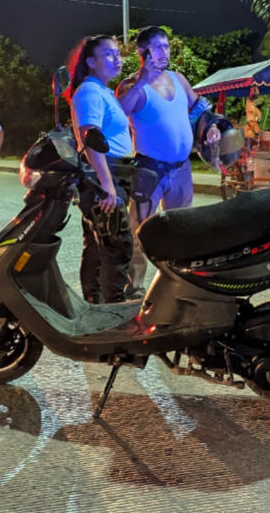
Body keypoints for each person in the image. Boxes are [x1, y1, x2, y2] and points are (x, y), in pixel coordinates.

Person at [115, 26, 218, 300]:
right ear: (142, 52)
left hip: (181, 169)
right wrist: (141, 81)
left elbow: (198, 110)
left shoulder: (179, 79)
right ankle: (134, 288)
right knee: (141, 230)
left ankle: (180, 282)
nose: (164, 52)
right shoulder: (130, 85)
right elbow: (118, 113)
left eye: (167, 46)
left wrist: (210, 128)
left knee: (182, 228)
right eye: (158, 47)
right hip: (150, 170)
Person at [68, 35, 134, 304]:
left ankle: (95, 303)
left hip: (110, 174)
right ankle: (114, 311)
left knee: (98, 245)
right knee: (117, 247)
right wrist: (107, 185)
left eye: (118, 53)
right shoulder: (90, 92)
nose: (116, 59)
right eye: (108, 54)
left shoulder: (102, 91)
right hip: (105, 175)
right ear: (91, 62)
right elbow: (90, 137)